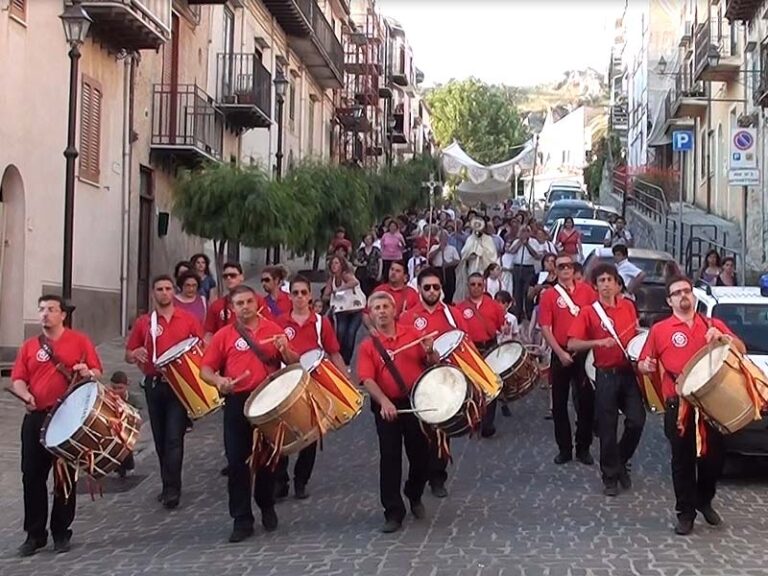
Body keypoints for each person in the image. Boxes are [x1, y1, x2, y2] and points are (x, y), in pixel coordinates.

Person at [637, 275, 745, 535]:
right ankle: (685, 513)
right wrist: (645, 365)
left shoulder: (712, 323)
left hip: (711, 403)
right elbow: (643, 361)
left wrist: (723, 338)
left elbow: (740, 348)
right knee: (682, 460)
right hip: (678, 404)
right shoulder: (660, 330)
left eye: (687, 291)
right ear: (669, 300)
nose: (684, 296)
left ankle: (704, 499)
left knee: (715, 458)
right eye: (677, 293)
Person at [200, 285, 298, 543]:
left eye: (248, 301)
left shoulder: (273, 329)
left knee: (268, 460)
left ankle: (266, 505)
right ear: (232, 308)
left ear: (257, 304)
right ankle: (241, 518)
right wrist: (218, 381)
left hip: (268, 400)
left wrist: (285, 349)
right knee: (237, 462)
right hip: (237, 402)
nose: (245, 306)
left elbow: (294, 362)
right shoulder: (224, 336)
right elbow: (205, 370)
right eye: (239, 303)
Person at [11, 295, 103, 556]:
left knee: (64, 479)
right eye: (41, 309)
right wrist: (25, 395)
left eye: (51, 309)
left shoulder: (79, 340)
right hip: (37, 418)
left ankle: (61, 531)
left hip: (67, 417)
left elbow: (97, 371)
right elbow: (18, 378)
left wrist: (87, 371)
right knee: (32, 476)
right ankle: (34, 534)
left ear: (63, 315)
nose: (45, 314)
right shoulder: (29, 346)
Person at [357, 291, 439, 533]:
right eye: (376, 308)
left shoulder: (412, 334)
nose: (381, 311)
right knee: (390, 459)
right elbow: (367, 379)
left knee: (422, 455)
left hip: (414, 401)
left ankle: (414, 493)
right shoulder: (368, 345)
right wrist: (383, 402)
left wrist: (429, 351)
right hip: (387, 406)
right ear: (371, 315)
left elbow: (432, 363)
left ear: (394, 311)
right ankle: (393, 512)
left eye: (385, 306)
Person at [125, 275, 205, 510]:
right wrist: (135, 353)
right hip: (154, 383)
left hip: (179, 385)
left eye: (168, 288)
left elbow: (200, 348)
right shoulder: (144, 323)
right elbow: (128, 354)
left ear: (174, 292)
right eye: (159, 289)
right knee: (160, 438)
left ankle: (173, 489)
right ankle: (166, 482)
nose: (164, 293)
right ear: (153, 293)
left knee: (173, 437)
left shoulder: (187, 319)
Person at [567, 263, 646, 497]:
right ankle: (610, 476)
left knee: (637, 420)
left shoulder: (629, 307)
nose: (605, 285)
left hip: (629, 373)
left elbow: (634, 334)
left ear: (617, 284)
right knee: (607, 427)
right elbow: (572, 343)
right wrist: (597, 343)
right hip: (605, 375)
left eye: (609, 280)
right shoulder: (589, 312)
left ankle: (620, 459)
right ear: (595, 286)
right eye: (601, 281)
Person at [274, 275, 346, 500]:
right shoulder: (278, 323)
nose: (299, 297)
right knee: (282, 432)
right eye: (295, 293)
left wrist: (345, 380)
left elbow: (334, 352)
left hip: (312, 381)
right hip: (285, 381)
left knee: (311, 432)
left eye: (303, 293)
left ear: (310, 296)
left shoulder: (320, 322)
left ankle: (301, 480)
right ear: (290, 296)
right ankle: (280, 480)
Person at [400, 268, 469, 498]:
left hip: (445, 379)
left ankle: (438, 477)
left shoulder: (452, 314)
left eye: (436, 287)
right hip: (418, 379)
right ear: (419, 289)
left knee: (442, 430)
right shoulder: (408, 316)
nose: (432, 291)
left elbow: (464, 342)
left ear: (442, 289)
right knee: (419, 433)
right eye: (427, 287)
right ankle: (420, 473)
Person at [538, 253, 597, 465]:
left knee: (586, 403)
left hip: (583, 351)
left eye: (568, 266)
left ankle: (583, 447)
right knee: (560, 404)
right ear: (556, 269)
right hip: (560, 350)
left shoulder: (587, 292)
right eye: (560, 266)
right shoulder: (549, 296)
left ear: (573, 269)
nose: (565, 270)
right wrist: (560, 353)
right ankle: (564, 448)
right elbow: (545, 327)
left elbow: (596, 319)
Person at [456, 273, 506, 438]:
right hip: (470, 349)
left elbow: (502, 326)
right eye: (473, 284)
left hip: (489, 347)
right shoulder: (460, 308)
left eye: (479, 284)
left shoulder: (495, 306)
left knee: (490, 385)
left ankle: (487, 423)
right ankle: (475, 418)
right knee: (473, 387)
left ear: (484, 286)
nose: (476, 287)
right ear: (468, 286)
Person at [205, 262, 269, 342]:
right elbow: (209, 333)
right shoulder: (216, 305)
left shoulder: (256, 300)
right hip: (226, 349)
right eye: (225, 276)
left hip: (251, 347)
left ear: (241, 277)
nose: (229, 278)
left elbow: (268, 325)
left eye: (233, 275)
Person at [324, 255, 362, 365]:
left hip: (355, 310)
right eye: (332, 263)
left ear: (341, 265)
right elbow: (325, 295)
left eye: (336, 263)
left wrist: (340, 289)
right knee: (340, 333)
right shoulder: (332, 279)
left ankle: (346, 362)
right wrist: (332, 294)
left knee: (350, 334)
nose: (334, 265)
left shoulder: (346, 274)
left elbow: (354, 282)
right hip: (342, 310)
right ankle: (339, 359)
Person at [363, 260, 419, 331]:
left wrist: (407, 317)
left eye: (397, 271)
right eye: (392, 269)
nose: (393, 273)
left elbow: (419, 316)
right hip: (380, 333)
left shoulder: (412, 293)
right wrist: (371, 328)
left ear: (405, 277)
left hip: (404, 334)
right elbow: (366, 314)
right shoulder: (379, 290)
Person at [455, 218, 499, 302]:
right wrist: (469, 257)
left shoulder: (488, 239)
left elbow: (492, 256)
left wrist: (482, 253)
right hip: (471, 268)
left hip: (483, 268)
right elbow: (464, 254)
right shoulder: (470, 239)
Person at [506, 226, 538, 320]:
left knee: (527, 291)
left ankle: (529, 314)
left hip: (528, 268)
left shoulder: (534, 242)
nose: (525, 233)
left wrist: (527, 244)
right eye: (523, 231)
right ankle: (517, 314)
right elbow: (512, 251)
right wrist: (520, 242)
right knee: (517, 292)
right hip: (518, 267)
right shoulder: (516, 241)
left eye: (527, 231)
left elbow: (536, 255)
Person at [110, 371, 136, 479]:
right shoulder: (109, 396)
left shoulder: (132, 399)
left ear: (126, 386)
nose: (116, 391)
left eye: (120, 388)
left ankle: (127, 464)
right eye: (114, 388)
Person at [428, 231, 461, 304]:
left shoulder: (452, 248)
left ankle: (448, 302)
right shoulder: (434, 247)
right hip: (437, 270)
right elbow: (429, 258)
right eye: (441, 238)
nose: (443, 239)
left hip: (448, 270)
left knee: (450, 288)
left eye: (444, 238)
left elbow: (457, 261)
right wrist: (439, 249)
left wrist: (448, 264)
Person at [355, 232, 383, 297]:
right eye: (366, 239)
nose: (368, 240)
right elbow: (355, 261)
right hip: (363, 274)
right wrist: (361, 264)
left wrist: (379, 273)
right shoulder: (361, 250)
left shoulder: (376, 250)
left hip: (373, 274)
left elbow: (380, 262)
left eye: (369, 239)